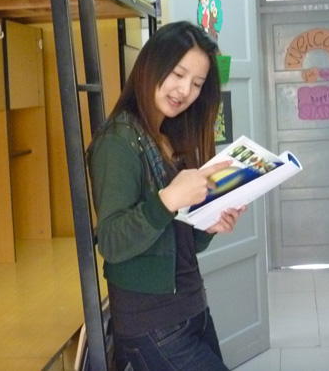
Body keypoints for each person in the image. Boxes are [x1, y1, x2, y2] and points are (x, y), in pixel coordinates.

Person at [87, 21, 246, 371]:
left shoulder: (169, 136)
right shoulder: (118, 141)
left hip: (190, 307)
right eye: (178, 74)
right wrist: (168, 200)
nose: (185, 90)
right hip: (152, 322)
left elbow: (178, 242)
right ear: (152, 64)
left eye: (197, 84)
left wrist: (208, 225)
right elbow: (111, 242)